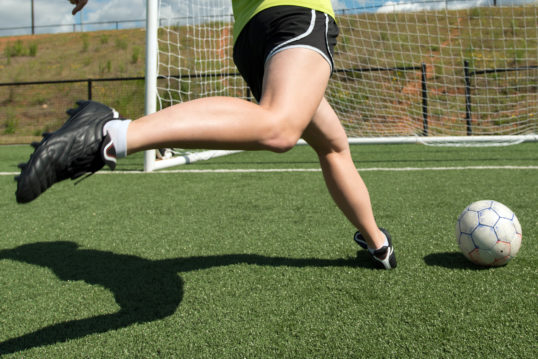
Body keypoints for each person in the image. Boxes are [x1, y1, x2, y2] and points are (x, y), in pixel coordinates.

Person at [15, 0, 396, 269]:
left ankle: (376, 241)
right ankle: (110, 132)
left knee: (332, 145)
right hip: (298, 15)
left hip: (252, 36)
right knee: (280, 128)